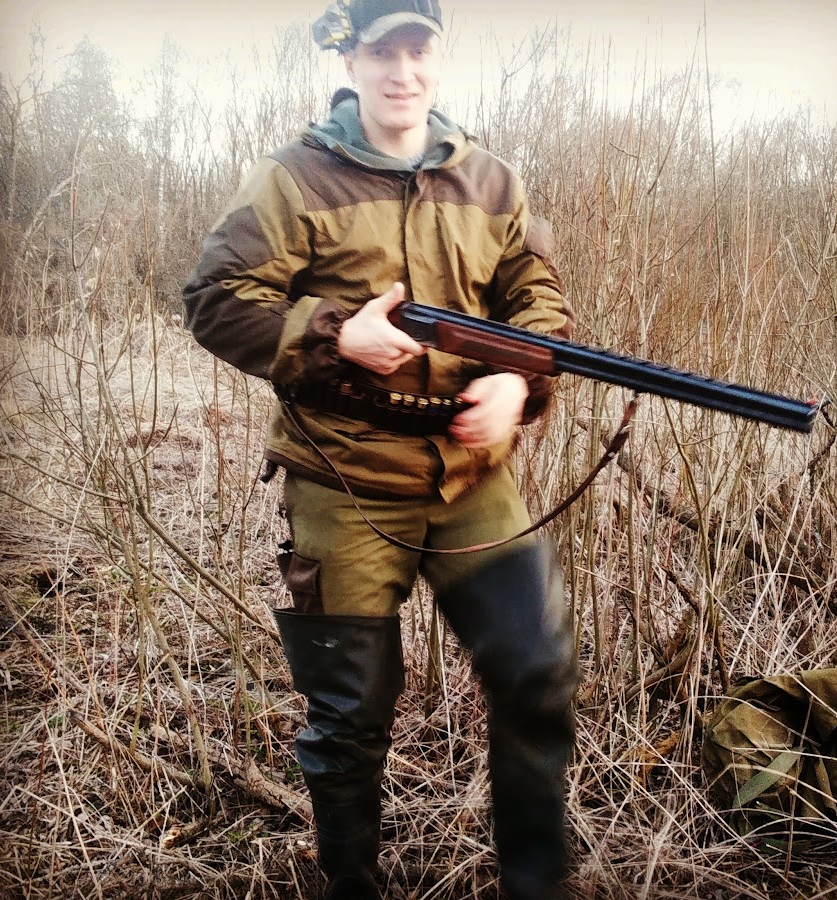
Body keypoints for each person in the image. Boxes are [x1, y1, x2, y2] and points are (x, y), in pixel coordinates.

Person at [183, 2, 576, 898]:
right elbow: (214, 298)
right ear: (349, 61)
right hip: (344, 474)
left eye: (418, 50)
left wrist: (517, 380)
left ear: (438, 58)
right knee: (350, 713)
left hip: (471, 473)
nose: (403, 72)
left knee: (537, 671)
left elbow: (539, 299)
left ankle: (538, 886)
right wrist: (333, 334)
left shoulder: (492, 181)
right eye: (382, 51)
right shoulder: (292, 179)